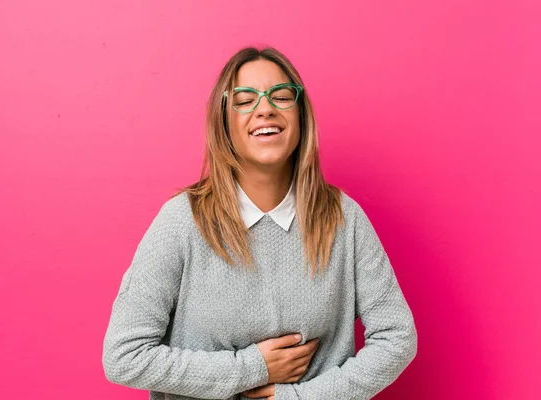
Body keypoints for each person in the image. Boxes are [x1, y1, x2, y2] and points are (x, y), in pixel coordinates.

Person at [102, 46, 417, 400]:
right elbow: (124, 356)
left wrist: (300, 399)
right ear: (224, 120)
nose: (265, 108)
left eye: (281, 96)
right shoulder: (182, 221)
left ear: (300, 115)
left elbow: (397, 338)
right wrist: (253, 367)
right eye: (245, 99)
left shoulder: (344, 218)